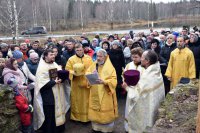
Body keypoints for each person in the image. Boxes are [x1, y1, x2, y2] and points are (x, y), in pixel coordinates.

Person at [122, 50, 165, 132]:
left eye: (142, 57)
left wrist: (127, 87)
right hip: (152, 105)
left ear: (147, 61)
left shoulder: (148, 77)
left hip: (145, 109)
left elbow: (135, 96)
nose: (140, 59)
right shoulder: (155, 70)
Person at [33, 49, 68, 133]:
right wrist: (54, 82)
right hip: (48, 95)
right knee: (50, 115)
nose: (53, 56)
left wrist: (61, 78)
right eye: (51, 55)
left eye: (54, 54)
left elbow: (58, 75)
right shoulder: (42, 67)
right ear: (45, 56)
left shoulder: (54, 64)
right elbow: (41, 84)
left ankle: (59, 129)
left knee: (58, 111)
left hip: (58, 93)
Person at [86, 49, 118, 133]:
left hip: (105, 92)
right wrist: (90, 75)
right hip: (94, 91)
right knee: (95, 110)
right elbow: (87, 73)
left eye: (100, 56)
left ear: (105, 57)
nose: (98, 58)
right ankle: (96, 128)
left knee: (104, 111)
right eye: (97, 56)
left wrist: (105, 82)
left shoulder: (110, 67)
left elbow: (114, 80)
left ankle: (106, 129)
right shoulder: (94, 64)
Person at [3, 58, 34, 133]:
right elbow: (14, 87)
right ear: (10, 65)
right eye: (15, 64)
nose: (17, 65)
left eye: (17, 63)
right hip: (17, 96)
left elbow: (19, 83)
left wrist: (24, 84)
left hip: (22, 95)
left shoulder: (15, 71)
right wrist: (27, 87)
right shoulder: (8, 74)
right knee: (24, 118)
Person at [65, 43, 93, 122]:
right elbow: (67, 70)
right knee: (76, 100)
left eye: (80, 50)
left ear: (83, 49)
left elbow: (92, 68)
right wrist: (73, 73)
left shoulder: (88, 58)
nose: (79, 51)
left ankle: (87, 117)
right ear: (75, 50)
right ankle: (76, 117)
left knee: (87, 101)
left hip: (86, 82)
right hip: (76, 84)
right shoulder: (71, 59)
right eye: (77, 50)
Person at [123, 47, 144, 132]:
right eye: (133, 57)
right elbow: (124, 75)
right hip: (129, 90)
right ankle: (128, 128)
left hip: (139, 92)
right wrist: (125, 82)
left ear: (141, 57)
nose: (134, 59)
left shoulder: (144, 67)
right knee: (129, 109)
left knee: (138, 110)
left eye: (136, 57)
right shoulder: (129, 65)